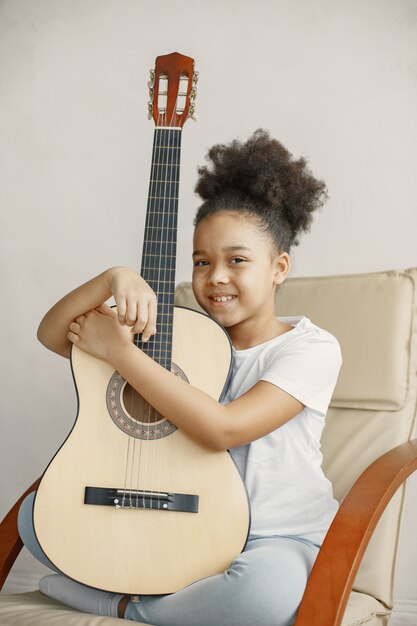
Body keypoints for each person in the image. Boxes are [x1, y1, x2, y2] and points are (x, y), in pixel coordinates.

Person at [18, 129, 342, 626]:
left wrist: (122, 356)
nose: (215, 276)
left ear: (279, 267)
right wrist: (113, 278)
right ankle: (170, 593)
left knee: (261, 598)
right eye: (201, 261)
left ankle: (125, 605)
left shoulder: (311, 348)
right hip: (185, 520)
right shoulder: (177, 336)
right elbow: (52, 333)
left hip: (276, 538)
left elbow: (224, 429)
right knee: (34, 516)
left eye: (237, 260)